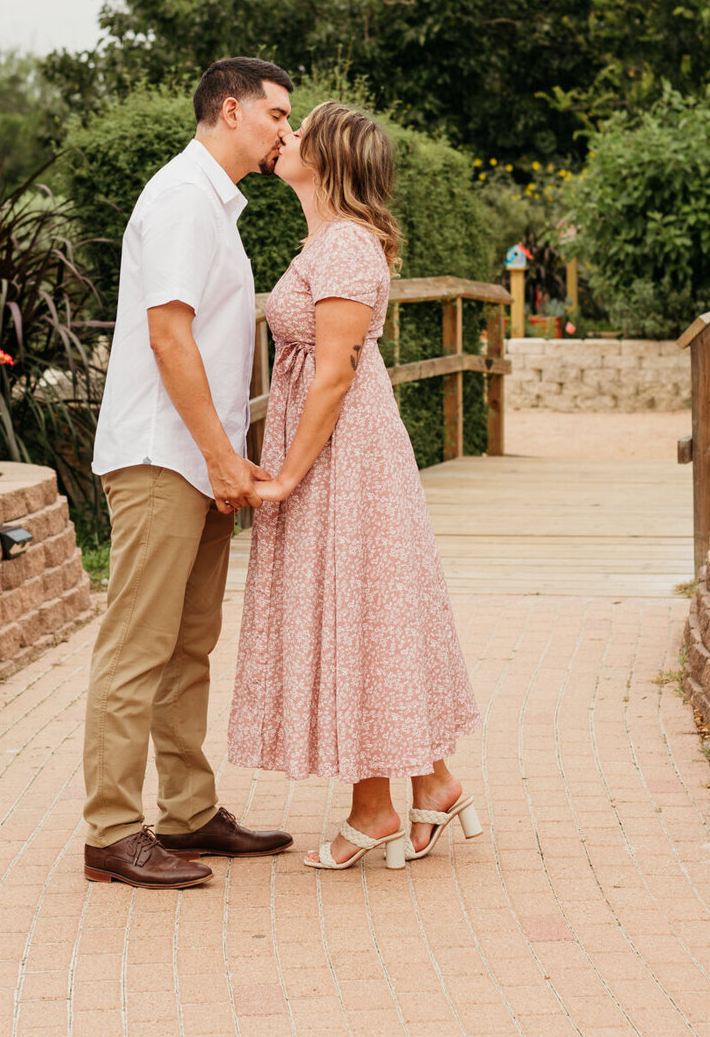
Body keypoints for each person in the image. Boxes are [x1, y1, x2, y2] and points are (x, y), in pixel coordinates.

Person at [228, 101, 482, 870]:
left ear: (329, 159)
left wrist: (287, 478)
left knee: (355, 610)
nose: (286, 135)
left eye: (300, 130)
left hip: (345, 458)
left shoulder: (343, 245)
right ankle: (420, 790)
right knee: (361, 611)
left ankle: (378, 807)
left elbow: (334, 372)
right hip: (343, 450)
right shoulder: (331, 240)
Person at [82, 57, 298, 889]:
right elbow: (169, 338)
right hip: (162, 457)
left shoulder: (215, 205)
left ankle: (187, 813)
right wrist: (219, 455)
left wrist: (226, 458)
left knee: (189, 643)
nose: (287, 129)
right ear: (233, 109)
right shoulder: (180, 198)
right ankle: (110, 832)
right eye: (278, 114)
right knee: (138, 646)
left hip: (200, 457)